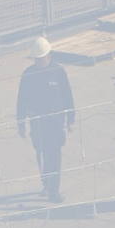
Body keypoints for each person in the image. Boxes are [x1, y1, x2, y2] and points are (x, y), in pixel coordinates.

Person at [16, 37, 75, 203]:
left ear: (49, 56)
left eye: (41, 58)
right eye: (36, 59)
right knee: (41, 154)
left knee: (54, 155)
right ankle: (47, 183)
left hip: (56, 123)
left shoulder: (59, 72)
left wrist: (71, 118)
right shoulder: (28, 74)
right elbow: (21, 99)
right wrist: (21, 123)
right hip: (38, 124)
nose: (39, 62)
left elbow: (67, 96)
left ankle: (54, 191)